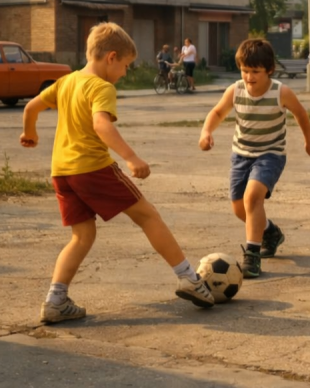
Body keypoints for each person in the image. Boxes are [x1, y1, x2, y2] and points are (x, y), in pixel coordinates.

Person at [20, 22, 214, 324]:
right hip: (93, 168)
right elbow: (101, 125)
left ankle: (55, 300)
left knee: (82, 236)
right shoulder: (101, 87)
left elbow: (31, 107)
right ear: (111, 57)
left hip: (62, 172)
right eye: (125, 65)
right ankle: (188, 277)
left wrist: (29, 133)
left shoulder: (66, 81)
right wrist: (132, 158)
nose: (124, 73)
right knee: (148, 216)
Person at [198, 38, 310, 279]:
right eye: (245, 70)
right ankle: (270, 232)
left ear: (269, 70)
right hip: (241, 154)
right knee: (239, 208)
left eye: (255, 71)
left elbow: (301, 114)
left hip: (270, 154)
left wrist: (309, 141)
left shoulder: (280, 92)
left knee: (253, 198)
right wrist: (206, 131)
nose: (249, 77)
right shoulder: (235, 90)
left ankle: (252, 256)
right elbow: (218, 111)